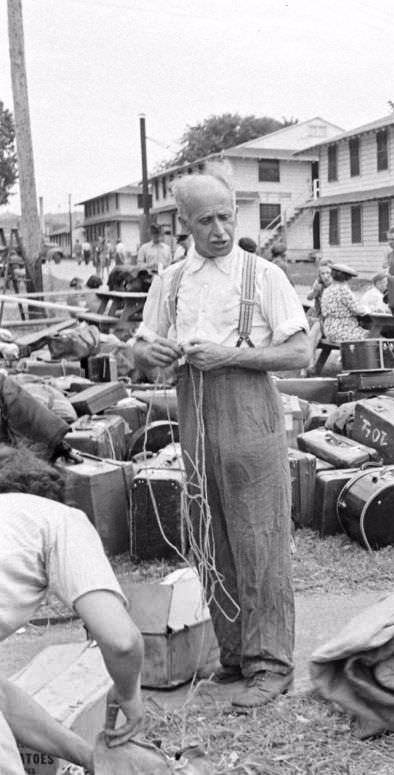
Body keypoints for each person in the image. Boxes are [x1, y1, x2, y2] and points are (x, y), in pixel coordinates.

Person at [132, 166, 309, 708]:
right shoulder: (171, 281)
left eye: (227, 217)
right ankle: (233, 658)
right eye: (205, 220)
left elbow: (299, 354)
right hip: (194, 410)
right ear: (182, 223)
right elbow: (141, 348)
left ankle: (271, 665)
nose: (220, 230)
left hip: (250, 409)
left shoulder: (264, 276)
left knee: (261, 540)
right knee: (212, 539)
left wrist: (232, 354)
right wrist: (150, 352)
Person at [0, 445, 146, 774]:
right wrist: (128, 692)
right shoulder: (55, 518)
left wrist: (90, 759)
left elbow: (4, 699)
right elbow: (122, 641)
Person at [319, 264, 370, 344]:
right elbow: (357, 310)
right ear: (347, 277)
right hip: (343, 329)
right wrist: (367, 309)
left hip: (329, 329)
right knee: (372, 335)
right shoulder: (343, 290)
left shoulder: (327, 290)